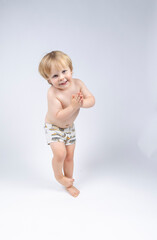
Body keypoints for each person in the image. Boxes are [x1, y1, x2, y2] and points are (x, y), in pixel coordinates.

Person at [38, 50, 95, 197]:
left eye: (64, 71)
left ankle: (69, 182)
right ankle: (59, 177)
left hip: (69, 127)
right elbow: (57, 116)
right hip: (54, 126)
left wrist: (81, 103)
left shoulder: (78, 84)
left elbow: (91, 100)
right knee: (60, 153)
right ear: (49, 80)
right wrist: (73, 107)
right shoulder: (53, 93)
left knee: (70, 156)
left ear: (71, 70)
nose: (62, 78)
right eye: (55, 76)